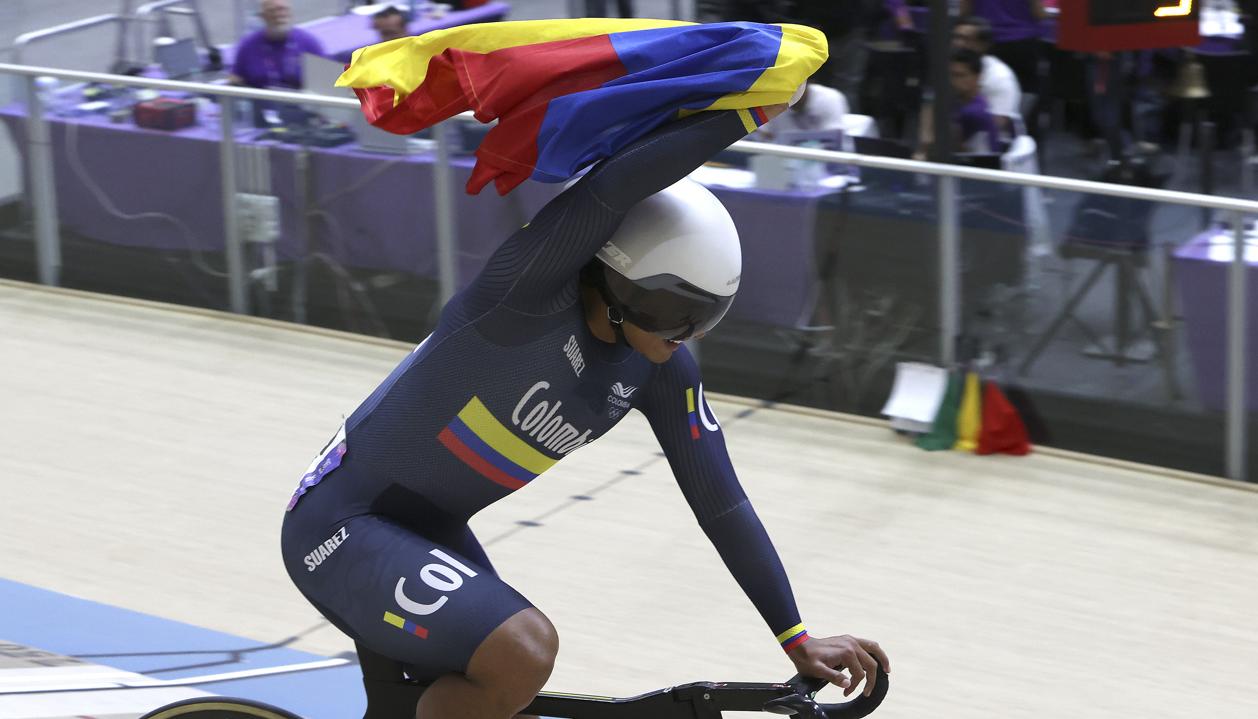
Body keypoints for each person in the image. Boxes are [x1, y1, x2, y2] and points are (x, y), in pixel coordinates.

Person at [281, 100, 890, 718]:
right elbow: (611, 187)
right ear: (619, 282)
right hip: (340, 526)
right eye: (680, 312)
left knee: (503, 689)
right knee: (521, 651)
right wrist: (748, 110)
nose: (690, 335)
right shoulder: (521, 301)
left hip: (420, 532)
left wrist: (795, 636)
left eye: (708, 316)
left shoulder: (661, 368)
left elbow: (721, 503)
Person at [918, 48, 1003, 157]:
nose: (954, 81)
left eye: (960, 75)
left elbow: (929, 144)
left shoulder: (974, 113)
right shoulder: (959, 103)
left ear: (978, 77)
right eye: (951, 75)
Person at [229, 0, 324, 89]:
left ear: (290, 13)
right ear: (263, 16)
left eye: (283, 9)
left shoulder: (308, 43)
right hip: (261, 99)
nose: (279, 15)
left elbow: (327, 81)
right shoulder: (248, 46)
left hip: (300, 99)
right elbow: (235, 81)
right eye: (272, 11)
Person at [959, 0, 1044, 96]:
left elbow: (964, 11)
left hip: (986, 40)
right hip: (1023, 40)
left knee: (986, 90)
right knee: (1026, 90)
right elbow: (1039, 14)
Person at [952, 15, 1022, 122]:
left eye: (966, 39)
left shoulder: (1000, 77)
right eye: (956, 37)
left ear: (983, 45)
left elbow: (996, 126)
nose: (958, 44)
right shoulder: (946, 66)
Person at [757, 83, 850, 140]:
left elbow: (833, 141)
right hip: (783, 161)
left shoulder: (829, 98)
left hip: (827, 160)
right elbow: (764, 136)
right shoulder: (772, 102)